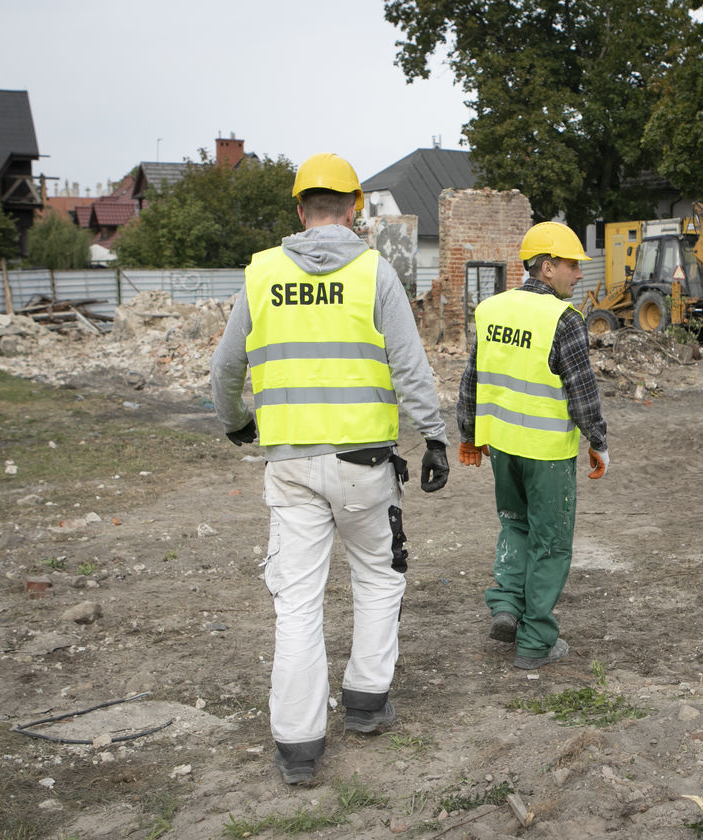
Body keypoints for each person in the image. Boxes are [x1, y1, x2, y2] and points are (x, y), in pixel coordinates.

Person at [209, 152, 449, 785]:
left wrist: (235, 421)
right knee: (377, 577)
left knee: (297, 603)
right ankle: (367, 702)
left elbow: (225, 369)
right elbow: (409, 366)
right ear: (356, 210)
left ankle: (298, 746)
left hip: (288, 467)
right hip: (364, 466)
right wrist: (434, 437)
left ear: (298, 210)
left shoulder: (260, 275)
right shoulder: (375, 273)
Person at [456, 221, 608, 670]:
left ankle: (505, 606)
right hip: (546, 454)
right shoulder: (564, 320)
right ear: (546, 268)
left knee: (514, 526)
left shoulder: (491, 310)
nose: (578, 275)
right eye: (571, 266)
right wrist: (598, 441)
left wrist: (468, 435)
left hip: (502, 448)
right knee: (551, 542)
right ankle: (536, 641)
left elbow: (472, 380)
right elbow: (583, 394)